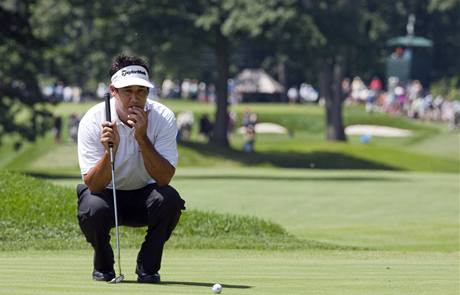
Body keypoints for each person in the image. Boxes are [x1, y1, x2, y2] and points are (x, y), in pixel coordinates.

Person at [76, 54, 185, 283]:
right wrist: (109, 152)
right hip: (107, 197)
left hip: (144, 198)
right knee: (91, 207)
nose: (135, 98)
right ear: (113, 90)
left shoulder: (163, 117)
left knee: (169, 200)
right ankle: (104, 265)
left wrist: (142, 138)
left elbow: (164, 178)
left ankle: (147, 267)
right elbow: (93, 184)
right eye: (128, 91)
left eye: (141, 91)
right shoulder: (93, 119)